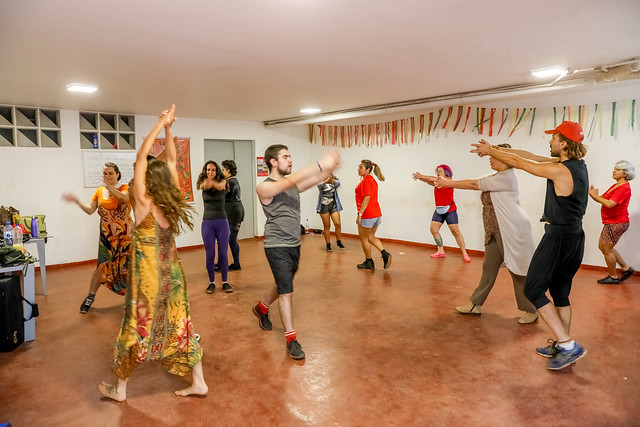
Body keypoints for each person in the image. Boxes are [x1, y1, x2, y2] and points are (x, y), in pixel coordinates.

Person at [99, 105, 207, 401]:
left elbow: (139, 159)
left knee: (133, 329)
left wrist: (161, 124)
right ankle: (199, 381)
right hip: (172, 275)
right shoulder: (169, 199)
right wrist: (171, 128)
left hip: (147, 279)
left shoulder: (142, 201)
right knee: (181, 326)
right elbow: (172, 159)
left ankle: (120, 390)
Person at [471, 120, 588, 371]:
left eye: (554, 138)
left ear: (564, 144)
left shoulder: (560, 170)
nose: (550, 141)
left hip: (557, 237)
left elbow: (525, 165)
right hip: (575, 236)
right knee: (560, 292)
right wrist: (496, 149)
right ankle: (561, 344)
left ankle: (568, 345)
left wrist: (492, 151)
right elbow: (526, 155)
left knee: (533, 290)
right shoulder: (574, 165)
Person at [252, 144, 340, 360]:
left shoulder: (292, 186)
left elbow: (317, 178)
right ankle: (291, 339)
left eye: (290, 156)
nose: (290, 160)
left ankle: (262, 307)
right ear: (273, 161)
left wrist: (331, 166)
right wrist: (320, 163)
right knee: (287, 291)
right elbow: (293, 180)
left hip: (294, 244)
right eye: (285, 157)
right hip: (276, 244)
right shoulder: (264, 187)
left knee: (284, 284)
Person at [434, 144, 538, 324]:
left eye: (493, 155)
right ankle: (475, 304)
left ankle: (531, 309)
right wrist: (433, 180)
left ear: (504, 158)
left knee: (517, 271)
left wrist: (448, 183)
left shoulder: (507, 178)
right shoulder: (497, 176)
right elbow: (474, 180)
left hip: (510, 231)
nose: (490, 158)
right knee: (488, 269)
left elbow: (474, 184)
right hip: (494, 231)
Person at [62, 162, 133, 314]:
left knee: (128, 268)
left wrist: (109, 187)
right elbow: (90, 210)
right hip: (106, 237)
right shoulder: (99, 191)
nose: (107, 176)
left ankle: (133, 299)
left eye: (110, 173)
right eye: (105, 173)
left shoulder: (125, 188)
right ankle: (90, 297)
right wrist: (76, 201)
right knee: (102, 267)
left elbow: (122, 198)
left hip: (125, 237)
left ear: (117, 175)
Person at [588, 160, 635, 284]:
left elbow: (610, 204)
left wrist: (594, 196)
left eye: (617, 169)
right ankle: (626, 268)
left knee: (606, 249)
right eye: (614, 168)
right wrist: (596, 196)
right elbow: (604, 198)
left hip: (616, 223)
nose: (614, 171)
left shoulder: (624, 187)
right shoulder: (617, 185)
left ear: (625, 173)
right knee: (605, 247)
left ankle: (613, 277)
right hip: (613, 222)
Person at [412, 165, 471, 262]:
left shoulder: (448, 181)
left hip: (450, 209)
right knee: (434, 230)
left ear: (446, 172)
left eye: (440, 171)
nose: (438, 173)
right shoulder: (436, 182)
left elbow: (432, 178)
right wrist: (420, 177)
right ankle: (440, 251)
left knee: (456, 232)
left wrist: (421, 175)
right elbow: (429, 180)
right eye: (437, 171)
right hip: (439, 209)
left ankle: (465, 253)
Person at [196, 160, 232, 293]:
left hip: (222, 222)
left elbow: (221, 187)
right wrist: (207, 183)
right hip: (207, 223)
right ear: (205, 171)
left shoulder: (223, 182)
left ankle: (225, 282)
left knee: (223, 253)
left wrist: (212, 183)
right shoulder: (203, 183)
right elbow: (203, 186)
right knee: (210, 254)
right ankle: (211, 282)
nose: (210, 172)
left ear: (217, 171)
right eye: (208, 170)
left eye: (213, 170)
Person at [355, 160, 392, 270]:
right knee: (371, 237)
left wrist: (359, 214)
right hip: (376, 214)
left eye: (361, 167)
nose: (358, 169)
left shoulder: (366, 181)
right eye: (358, 166)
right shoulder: (372, 180)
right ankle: (385, 253)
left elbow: (366, 198)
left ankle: (369, 262)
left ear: (367, 170)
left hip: (368, 214)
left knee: (364, 239)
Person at [221, 160, 245, 271]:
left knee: (228, 239)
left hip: (233, 213)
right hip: (235, 211)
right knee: (231, 239)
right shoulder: (232, 181)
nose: (222, 172)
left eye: (223, 170)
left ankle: (229, 264)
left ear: (228, 170)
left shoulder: (229, 182)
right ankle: (236, 264)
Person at [316, 174, 345, 252]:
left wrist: (331, 180)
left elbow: (338, 184)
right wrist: (325, 181)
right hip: (323, 206)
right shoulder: (320, 180)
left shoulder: (333, 180)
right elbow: (319, 186)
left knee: (337, 223)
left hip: (334, 205)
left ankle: (339, 241)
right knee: (327, 226)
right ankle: (328, 244)